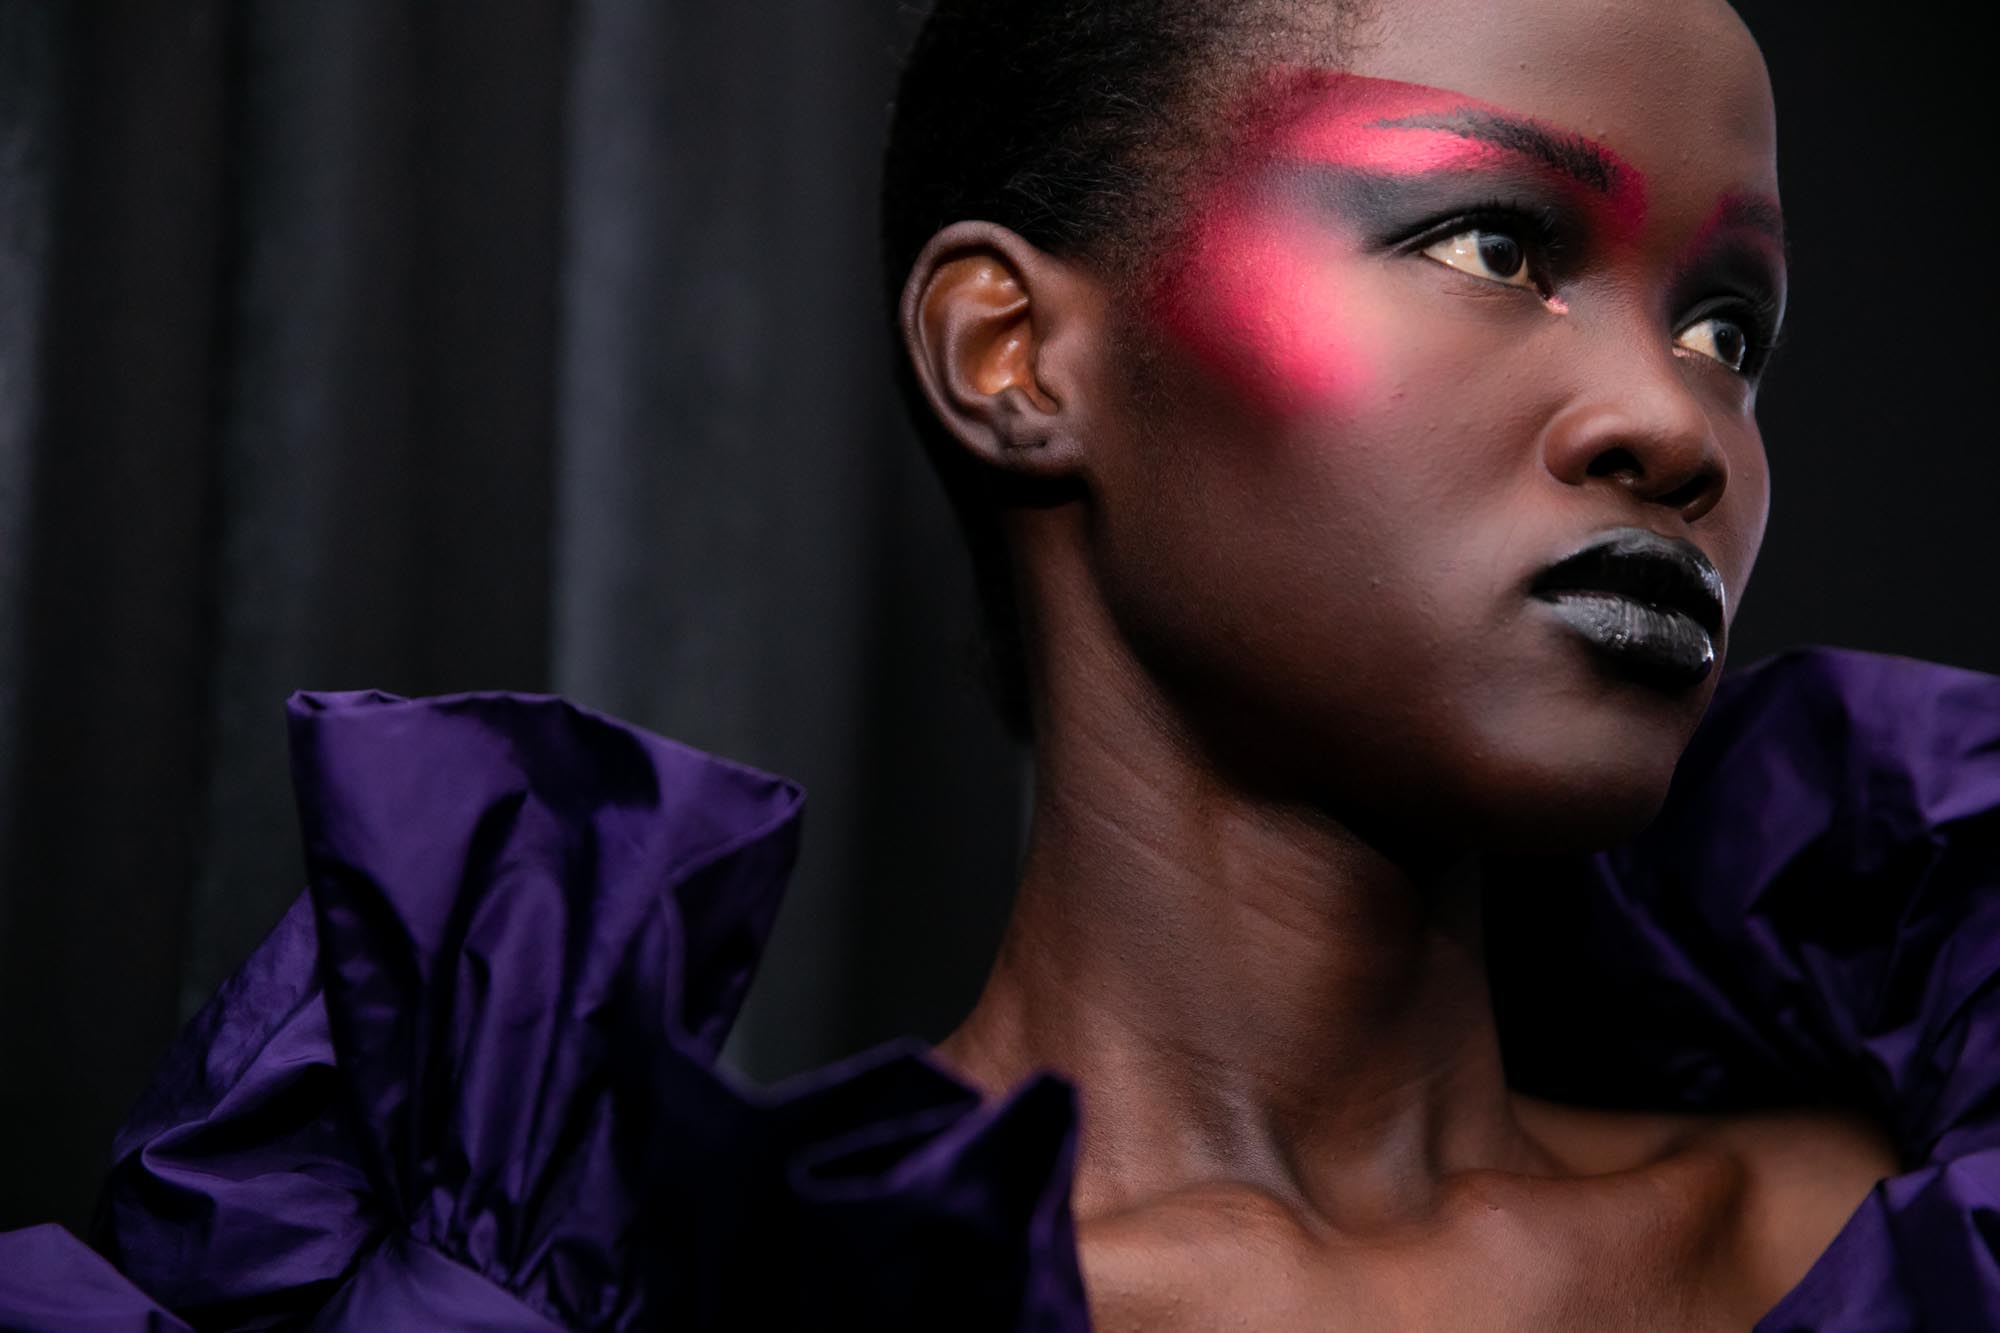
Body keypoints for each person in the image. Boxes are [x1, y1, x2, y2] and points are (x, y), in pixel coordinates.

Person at [4, 0, 1997, 1328]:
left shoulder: (1907, 1233)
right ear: (1013, 357)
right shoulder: (618, 1300)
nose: (1674, 422)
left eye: (1730, 327)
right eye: (1492, 243)